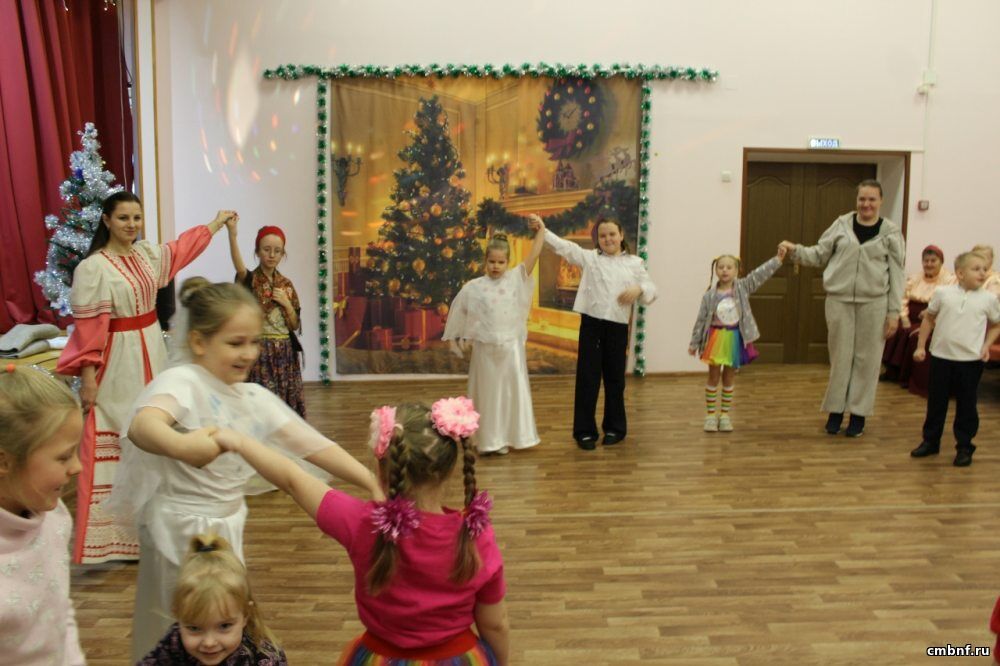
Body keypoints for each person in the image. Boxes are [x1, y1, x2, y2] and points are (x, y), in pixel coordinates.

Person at [108, 279, 380, 661]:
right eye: (236, 343)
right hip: (177, 531)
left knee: (222, 621)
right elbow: (143, 425)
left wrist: (371, 481)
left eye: (254, 342)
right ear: (199, 342)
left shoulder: (253, 398)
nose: (249, 353)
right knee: (179, 627)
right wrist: (183, 446)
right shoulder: (183, 382)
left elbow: (314, 446)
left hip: (227, 528)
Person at [213, 398, 509, 665]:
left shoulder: (363, 523)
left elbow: (292, 479)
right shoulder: (476, 535)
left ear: (382, 469)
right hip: (457, 657)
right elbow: (494, 624)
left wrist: (240, 442)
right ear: (450, 469)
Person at [56, 192, 235, 564]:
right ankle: (117, 539)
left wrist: (216, 223)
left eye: (136, 218)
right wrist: (88, 376)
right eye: (123, 218)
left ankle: (157, 531)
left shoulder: (146, 256)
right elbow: (89, 330)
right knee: (121, 432)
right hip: (119, 360)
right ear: (107, 220)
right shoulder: (94, 268)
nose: (131, 225)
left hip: (152, 348)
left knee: (160, 428)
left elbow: (181, 248)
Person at [780, 179, 905, 438]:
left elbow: (897, 274)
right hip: (839, 301)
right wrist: (795, 251)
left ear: (881, 201)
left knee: (867, 361)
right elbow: (819, 254)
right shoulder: (841, 224)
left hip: (875, 304)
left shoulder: (891, 233)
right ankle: (835, 411)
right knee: (840, 358)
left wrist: (894, 312)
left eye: (871, 199)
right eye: (862, 199)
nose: (866, 204)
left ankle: (858, 415)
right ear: (856, 200)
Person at [542, 215, 657, 450]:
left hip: (617, 328)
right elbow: (566, 247)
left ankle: (615, 428)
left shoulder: (634, 263)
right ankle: (584, 432)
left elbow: (652, 289)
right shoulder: (591, 258)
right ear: (598, 239)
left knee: (615, 380)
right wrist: (543, 231)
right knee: (588, 379)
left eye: (612, 234)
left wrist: (639, 288)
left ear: (621, 235)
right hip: (591, 325)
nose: (608, 239)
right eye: (603, 235)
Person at [0, 364, 85, 665]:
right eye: (64, 456)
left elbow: (59, 609)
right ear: (4, 462)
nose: (77, 467)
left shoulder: (56, 518)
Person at [442, 216, 546, 455]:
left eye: (501, 262)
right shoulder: (474, 287)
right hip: (485, 350)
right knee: (488, 395)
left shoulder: (516, 279)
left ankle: (514, 436)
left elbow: (534, 253)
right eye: (491, 262)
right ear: (485, 261)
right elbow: (461, 310)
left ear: (508, 262)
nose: (496, 266)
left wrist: (540, 230)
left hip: (510, 349)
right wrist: (464, 336)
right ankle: (490, 440)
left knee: (510, 393)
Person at [138, 533, 286, 665]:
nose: (209, 643)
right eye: (194, 628)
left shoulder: (264, 657)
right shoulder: (174, 642)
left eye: (224, 626)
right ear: (178, 614)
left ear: (246, 614)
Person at [910, 252, 1000, 467]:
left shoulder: (989, 299)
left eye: (984, 269)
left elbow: (996, 325)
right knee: (936, 402)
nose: (982, 273)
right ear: (960, 273)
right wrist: (921, 346)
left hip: (970, 361)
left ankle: (965, 446)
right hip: (941, 357)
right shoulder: (943, 293)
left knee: (967, 405)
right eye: (976, 269)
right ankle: (930, 441)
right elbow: (929, 319)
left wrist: (986, 346)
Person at [689, 248, 786, 432]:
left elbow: (759, 275)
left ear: (736, 270)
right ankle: (710, 416)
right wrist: (694, 343)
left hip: (735, 338)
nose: (725, 270)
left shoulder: (742, 287)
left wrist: (777, 260)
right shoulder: (709, 295)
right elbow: (701, 320)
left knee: (729, 377)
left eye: (729, 267)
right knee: (713, 376)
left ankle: (725, 415)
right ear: (715, 270)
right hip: (715, 339)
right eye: (721, 267)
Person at [228, 223, 305, 417]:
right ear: (257, 251)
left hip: (285, 354)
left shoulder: (286, 285)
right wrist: (232, 235)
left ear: (282, 254)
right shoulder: (251, 280)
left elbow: (294, 325)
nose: (272, 255)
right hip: (261, 353)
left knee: (284, 407)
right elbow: (239, 267)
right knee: (261, 407)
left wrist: (286, 304)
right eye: (266, 249)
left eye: (277, 251)